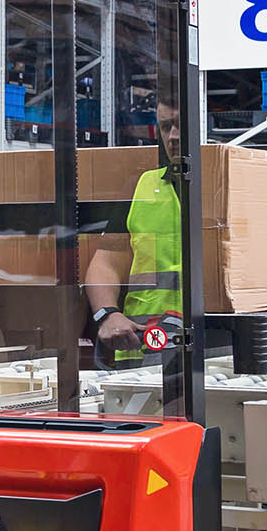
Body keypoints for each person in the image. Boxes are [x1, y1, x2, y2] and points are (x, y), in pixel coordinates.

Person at [84, 99, 181, 365]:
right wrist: (107, 314)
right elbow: (106, 262)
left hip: (215, 349)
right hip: (143, 347)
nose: (173, 136)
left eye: (181, 126)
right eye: (166, 126)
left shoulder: (223, 187)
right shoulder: (142, 187)